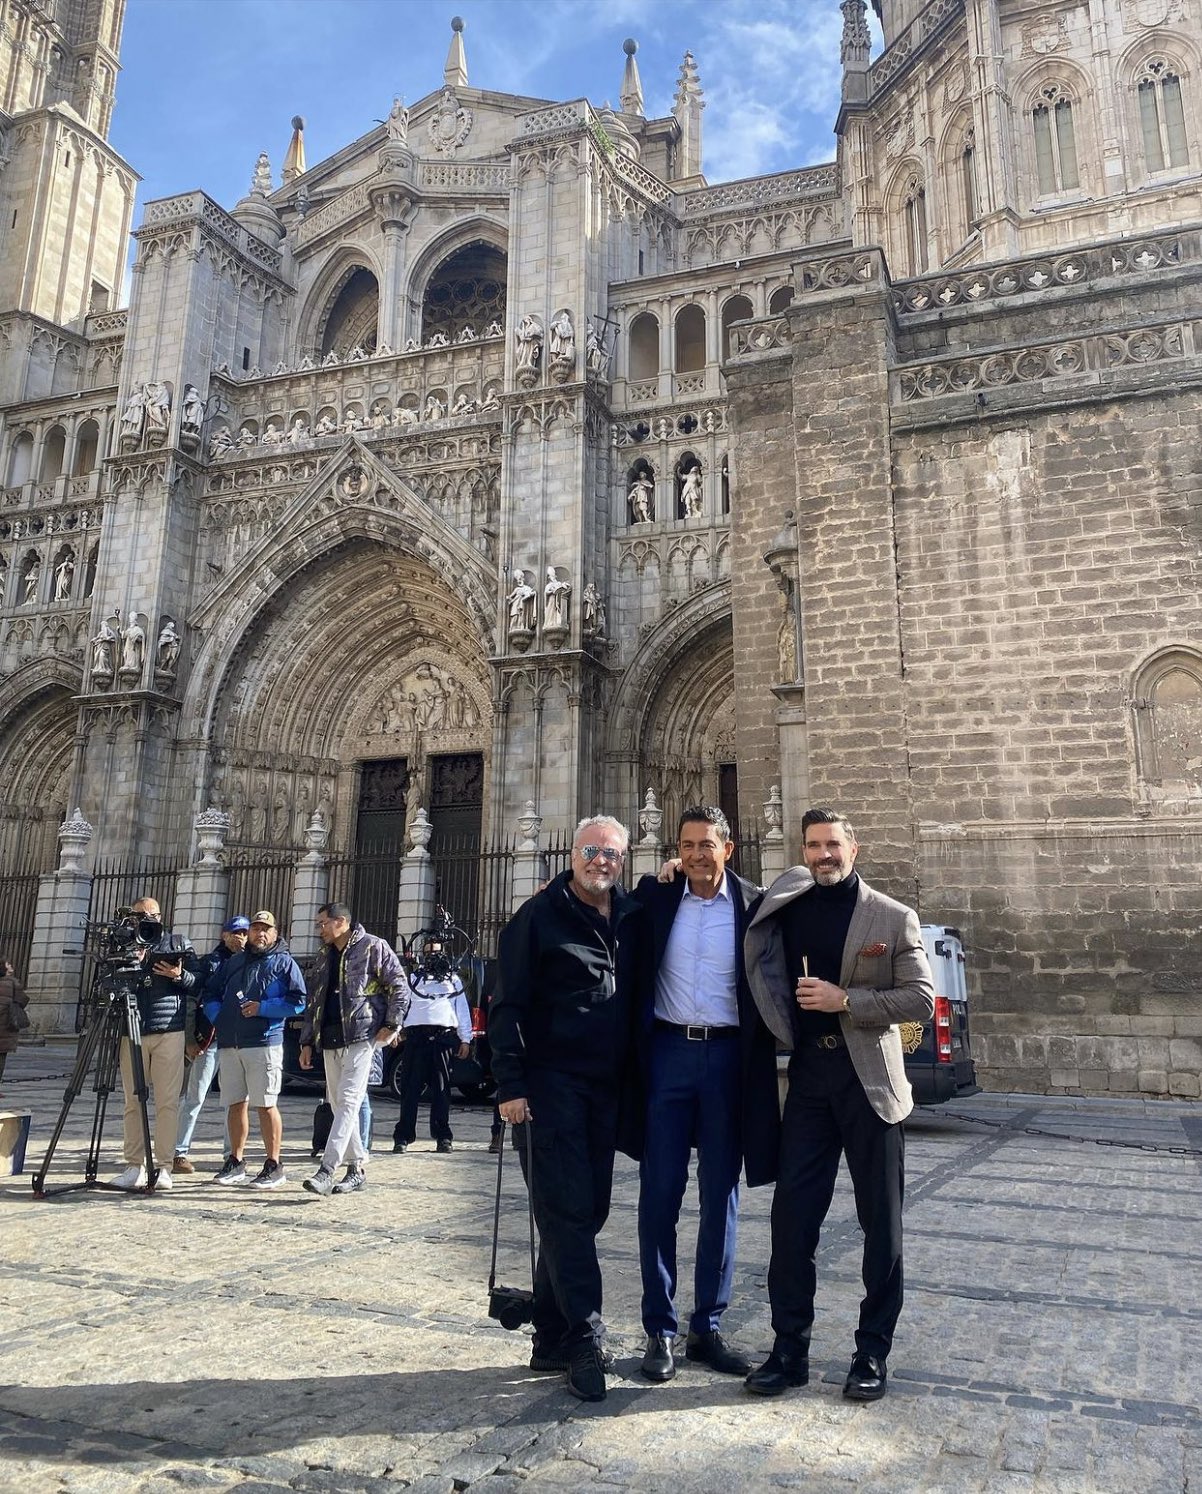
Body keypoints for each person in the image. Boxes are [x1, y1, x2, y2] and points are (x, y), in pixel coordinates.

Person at [742, 808, 934, 1402]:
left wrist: (845, 999)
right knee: (791, 1222)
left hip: (869, 1085)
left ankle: (872, 1351)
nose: (823, 855)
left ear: (854, 848)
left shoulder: (892, 916)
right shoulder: (787, 904)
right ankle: (789, 1350)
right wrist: (675, 868)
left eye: (832, 844)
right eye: (813, 846)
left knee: (882, 1224)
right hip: (808, 1082)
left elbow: (921, 999)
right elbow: (727, 892)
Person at [491, 815, 642, 1403]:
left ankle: (550, 1336)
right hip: (548, 1087)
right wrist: (510, 1085)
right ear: (571, 854)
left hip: (606, 1088)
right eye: (590, 850)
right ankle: (585, 1337)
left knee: (585, 1211)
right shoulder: (537, 917)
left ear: (623, 860)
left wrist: (677, 872)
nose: (600, 861)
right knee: (566, 1212)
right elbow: (506, 1004)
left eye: (611, 853)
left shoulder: (630, 914)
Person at [626, 806, 779, 1383]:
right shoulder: (656, 897)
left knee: (721, 1196)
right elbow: (599, 903)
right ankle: (660, 1330)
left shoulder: (755, 905)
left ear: (728, 849)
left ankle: (706, 1327)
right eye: (686, 845)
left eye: (706, 845)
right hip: (667, 1054)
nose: (695, 854)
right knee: (658, 1195)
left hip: (728, 1060)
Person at [300, 903, 407, 1195]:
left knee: (348, 1101)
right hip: (330, 1037)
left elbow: (399, 985)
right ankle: (356, 1168)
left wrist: (393, 1023)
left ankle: (327, 1169)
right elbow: (314, 1001)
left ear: (341, 921)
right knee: (338, 1105)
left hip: (362, 1035)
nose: (319, 929)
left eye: (323, 923)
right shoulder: (323, 956)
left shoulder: (373, 947)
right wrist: (307, 1041)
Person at [203, 910, 306, 1189]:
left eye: (266, 929)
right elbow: (210, 993)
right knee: (235, 1104)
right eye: (256, 928)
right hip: (231, 1043)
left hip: (264, 1042)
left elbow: (298, 1001)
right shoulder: (234, 962)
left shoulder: (285, 963)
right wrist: (219, 1018)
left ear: (275, 933)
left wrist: (263, 1008)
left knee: (265, 1104)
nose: (260, 933)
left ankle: (274, 1165)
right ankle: (235, 1161)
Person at [111, 897, 199, 1191]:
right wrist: (128, 959)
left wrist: (179, 975)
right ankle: (134, 1165)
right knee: (132, 1101)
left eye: (152, 915)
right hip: (131, 1029)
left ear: (161, 916)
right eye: (141, 915)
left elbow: (199, 982)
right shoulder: (124, 944)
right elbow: (108, 979)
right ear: (131, 917)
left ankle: (163, 1167)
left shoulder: (177, 943)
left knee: (167, 1102)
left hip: (168, 1030)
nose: (147, 920)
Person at [172, 916, 249, 1173]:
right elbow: (192, 1000)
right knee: (195, 1096)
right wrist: (189, 1038)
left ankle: (232, 1153)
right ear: (223, 935)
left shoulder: (251, 962)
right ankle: (178, 1151)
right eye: (235, 932)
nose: (240, 937)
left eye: (244, 933)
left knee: (235, 1100)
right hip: (211, 1039)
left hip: (239, 1039)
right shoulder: (210, 963)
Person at [392, 938, 471, 1155]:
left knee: (442, 1091)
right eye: (428, 953)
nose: (432, 957)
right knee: (409, 1091)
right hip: (416, 1038)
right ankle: (403, 1136)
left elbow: (462, 1009)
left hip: (442, 1039)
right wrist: (395, 1029)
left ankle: (443, 1136)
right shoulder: (413, 979)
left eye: (436, 953)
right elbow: (402, 1005)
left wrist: (465, 1039)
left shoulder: (453, 980)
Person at [0, 956, 29, 1085]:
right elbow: (23, 1000)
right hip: (5, 1025)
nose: (11, 966)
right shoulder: (11, 983)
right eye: (8, 964)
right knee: (1, 1056)